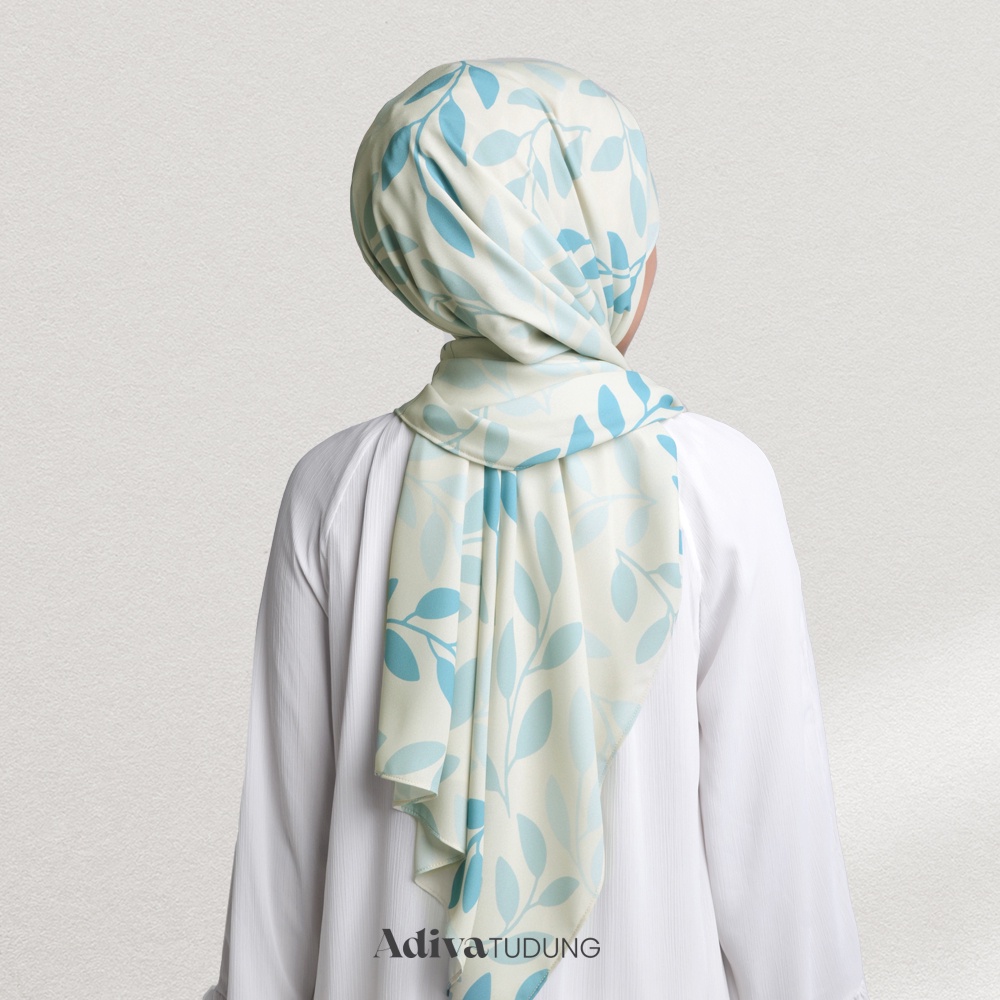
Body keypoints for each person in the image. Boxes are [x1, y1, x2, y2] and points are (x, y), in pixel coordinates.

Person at [202, 58, 869, 1000]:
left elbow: (280, 864)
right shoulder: (716, 481)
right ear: (586, 247)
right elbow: (777, 846)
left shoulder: (336, 486)